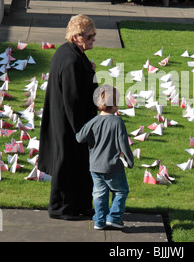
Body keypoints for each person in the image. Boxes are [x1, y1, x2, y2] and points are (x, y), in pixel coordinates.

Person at [38, 14, 98, 220]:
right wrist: (82, 130)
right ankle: (61, 208)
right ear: (76, 37)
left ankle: (79, 205)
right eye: (89, 36)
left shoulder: (68, 53)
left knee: (77, 165)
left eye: (93, 36)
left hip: (66, 121)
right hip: (70, 124)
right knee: (68, 165)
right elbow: (73, 99)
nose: (93, 40)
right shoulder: (71, 59)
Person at [76, 84, 134, 230]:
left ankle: (99, 221)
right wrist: (129, 160)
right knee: (120, 191)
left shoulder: (93, 121)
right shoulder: (117, 122)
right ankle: (114, 218)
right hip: (112, 166)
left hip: (95, 167)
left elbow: (79, 138)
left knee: (99, 194)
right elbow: (123, 144)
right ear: (114, 105)